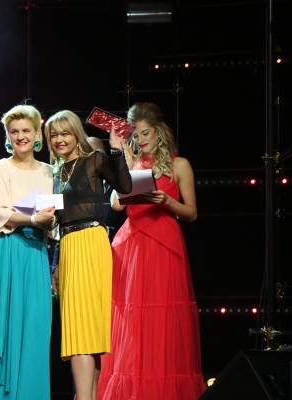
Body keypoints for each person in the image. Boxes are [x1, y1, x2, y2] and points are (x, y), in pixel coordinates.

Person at [97, 102, 205, 399]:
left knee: (163, 317)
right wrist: (122, 155)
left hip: (163, 243)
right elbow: (116, 204)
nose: (141, 139)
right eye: (136, 134)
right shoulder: (132, 162)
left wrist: (166, 201)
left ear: (159, 132)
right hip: (131, 245)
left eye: (146, 133)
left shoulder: (179, 164)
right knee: (131, 318)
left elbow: (192, 213)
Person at [46, 110, 132, 400]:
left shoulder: (94, 159)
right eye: (54, 135)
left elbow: (126, 187)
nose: (60, 139)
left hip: (91, 242)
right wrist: (57, 265)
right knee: (81, 329)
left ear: (76, 134)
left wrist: (116, 150)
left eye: (65, 133)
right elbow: (58, 222)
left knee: (84, 329)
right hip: (68, 246)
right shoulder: (56, 173)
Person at [0, 104, 56, 400]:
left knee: (34, 328)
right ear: (8, 136)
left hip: (34, 253)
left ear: (37, 135)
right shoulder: (0, 168)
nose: (21, 136)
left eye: (26, 130)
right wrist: (33, 219)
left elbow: (53, 214)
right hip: (2, 250)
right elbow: (0, 211)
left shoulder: (49, 172)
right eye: (14, 131)